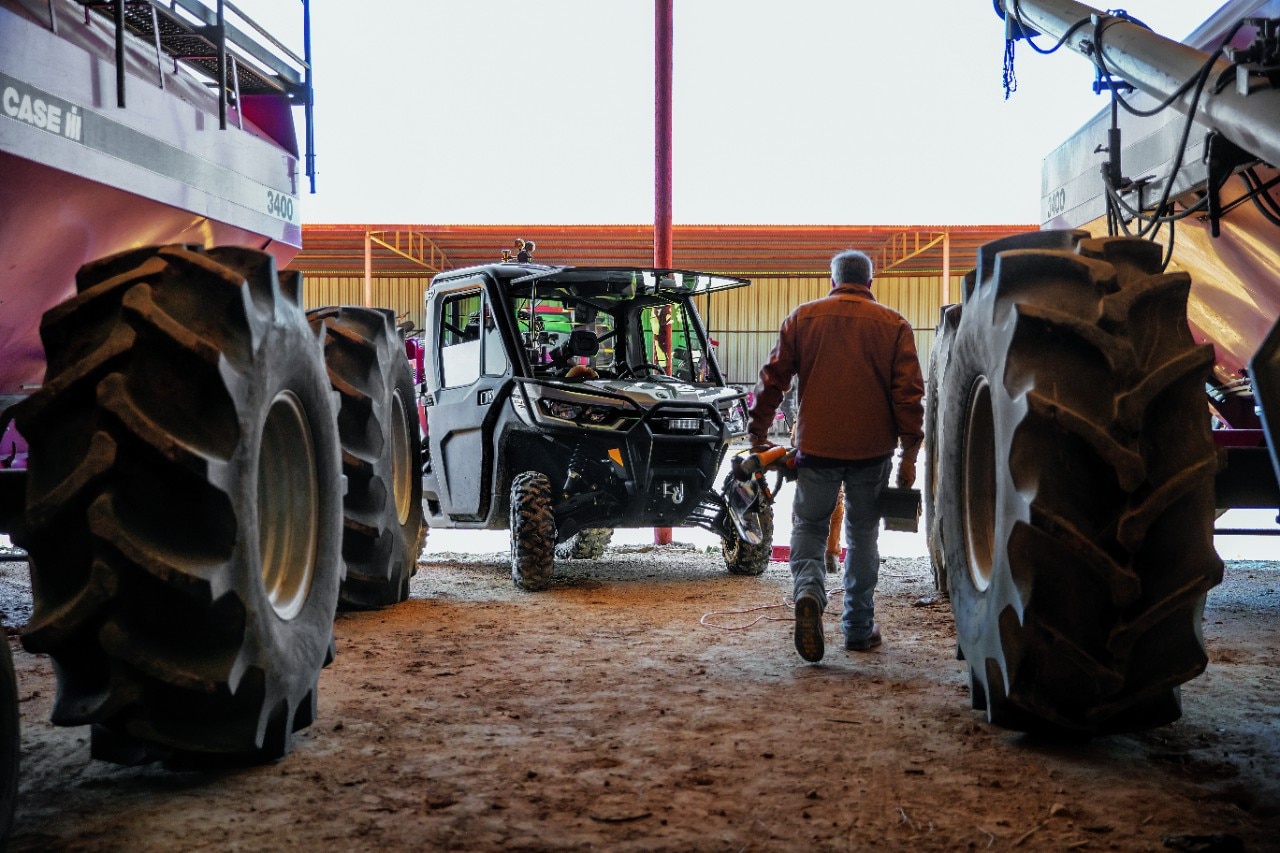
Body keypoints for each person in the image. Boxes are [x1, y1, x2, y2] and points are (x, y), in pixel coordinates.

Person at [747, 249, 924, 662]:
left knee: (809, 527)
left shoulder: (803, 318)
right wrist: (910, 452)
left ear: (832, 281)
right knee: (862, 535)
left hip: (817, 450)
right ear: (870, 283)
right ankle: (858, 628)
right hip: (872, 452)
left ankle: (809, 591)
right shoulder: (895, 325)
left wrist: (757, 432)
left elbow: (772, 380)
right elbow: (909, 396)